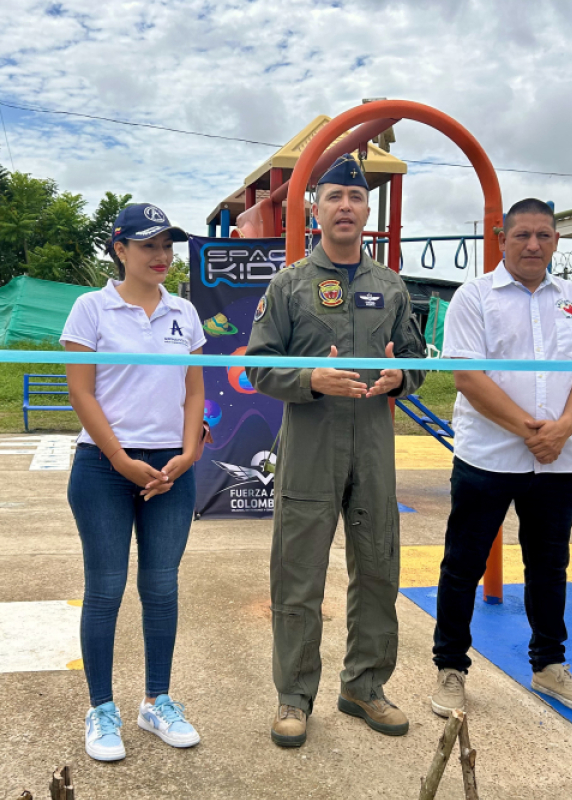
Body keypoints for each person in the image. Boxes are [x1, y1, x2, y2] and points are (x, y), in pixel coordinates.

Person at [247, 154, 427, 747]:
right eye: (334, 197)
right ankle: (294, 697)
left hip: (373, 449)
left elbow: (418, 361)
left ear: (366, 209)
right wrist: (309, 381)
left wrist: (402, 379)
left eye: (355, 196)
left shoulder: (391, 286)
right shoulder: (290, 284)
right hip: (309, 447)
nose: (345, 206)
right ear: (315, 209)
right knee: (298, 576)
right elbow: (258, 367)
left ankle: (364, 687)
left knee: (377, 569)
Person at [429, 198, 572, 719]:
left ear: (556, 241)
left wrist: (564, 429)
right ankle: (451, 668)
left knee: (549, 568)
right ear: (502, 238)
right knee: (462, 568)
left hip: (557, 462)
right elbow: (467, 377)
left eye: (544, 236)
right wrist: (529, 431)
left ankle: (549, 665)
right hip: (487, 459)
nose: (534, 245)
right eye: (523, 235)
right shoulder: (474, 297)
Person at [59, 204, 206, 762]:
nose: (161, 256)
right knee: (105, 588)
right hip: (103, 468)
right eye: (148, 246)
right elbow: (82, 393)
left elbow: (194, 390)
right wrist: (120, 458)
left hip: (171, 468)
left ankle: (156, 701)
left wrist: (189, 453)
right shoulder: (90, 308)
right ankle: (101, 709)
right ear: (119, 249)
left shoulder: (184, 313)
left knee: (161, 587)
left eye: (167, 245)